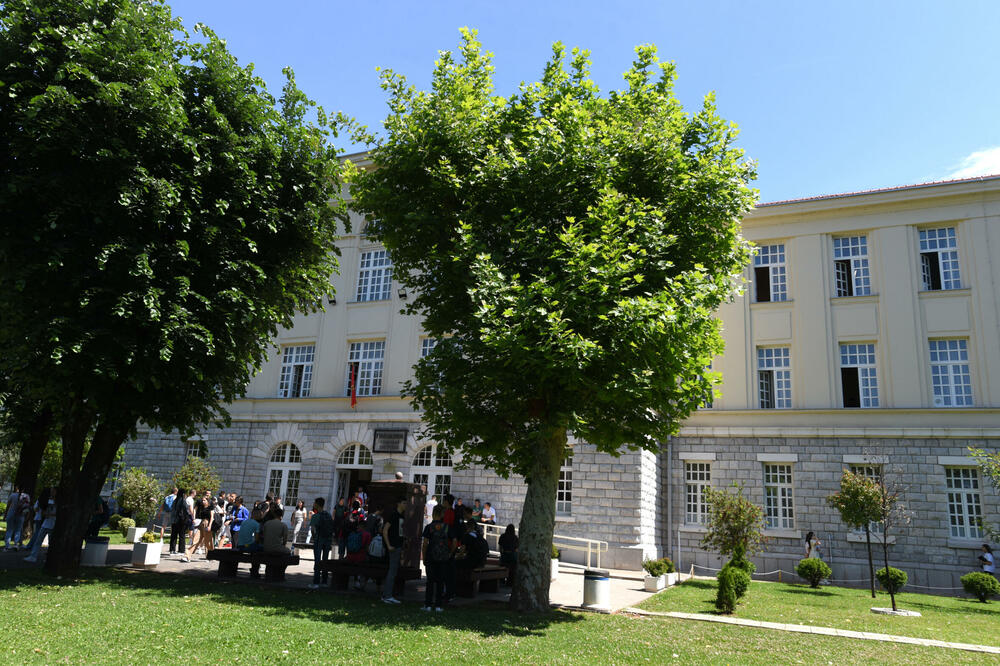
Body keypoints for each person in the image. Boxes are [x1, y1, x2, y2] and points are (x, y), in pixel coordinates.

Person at [421, 504, 451, 611]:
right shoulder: (447, 527)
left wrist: (424, 557)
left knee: (430, 581)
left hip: (430, 556)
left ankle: (428, 604)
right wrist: (449, 553)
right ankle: (438, 605)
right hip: (443, 557)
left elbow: (425, 544)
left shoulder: (429, 527)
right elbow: (454, 541)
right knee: (440, 581)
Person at [381, 499, 406, 604]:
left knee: (393, 571)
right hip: (393, 547)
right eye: (404, 503)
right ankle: (387, 595)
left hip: (398, 546)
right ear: (398, 503)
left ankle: (388, 594)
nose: (406, 505)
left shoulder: (401, 516)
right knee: (392, 571)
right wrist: (389, 545)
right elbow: (385, 530)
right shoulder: (394, 515)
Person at [309, 497, 336, 589]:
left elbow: (313, 530)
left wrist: (314, 538)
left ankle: (316, 582)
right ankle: (324, 581)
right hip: (327, 540)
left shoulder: (315, 516)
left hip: (319, 539)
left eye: (314, 503)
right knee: (325, 560)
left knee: (317, 560)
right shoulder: (328, 515)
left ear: (317, 504)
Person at [24, 489, 56, 563]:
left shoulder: (57, 502)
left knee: (51, 543)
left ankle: (50, 558)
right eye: (51, 491)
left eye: (53, 491)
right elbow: (42, 512)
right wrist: (45, 513)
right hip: (45, 524)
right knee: (38, 540)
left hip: (53, 524)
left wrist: (50, 514)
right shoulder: (47, 500)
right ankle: (33, 556)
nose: (52, 492)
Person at [183, 497, 214, 562]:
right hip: (201, 524)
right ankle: (187, 556)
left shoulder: (211, 508)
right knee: (195, 540)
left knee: (208, 542)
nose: (203, 501)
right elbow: (195, 511)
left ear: (208, 501)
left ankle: (210, 557)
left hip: (207, 524)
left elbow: (212, 518)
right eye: (202, 500)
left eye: (204, 500)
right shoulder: (201, 507)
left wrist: (209, 526)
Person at [344, 519, 372, 590]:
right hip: (361, 557)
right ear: (365, 527)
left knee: (355, 566)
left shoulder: (353, 533)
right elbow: (367, 548)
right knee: (368, 564)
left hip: (350, 556)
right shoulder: (367, 534)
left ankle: (356, 581)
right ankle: (361, 583)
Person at [168, 488, 191, 556]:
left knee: (173, 535)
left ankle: (172, 550)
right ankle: (181, 550)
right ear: (183, 494)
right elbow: (186, 510)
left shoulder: (175, 500)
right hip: (181, 520)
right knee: (182, 535)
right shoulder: (183, 501)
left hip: (174, 520)